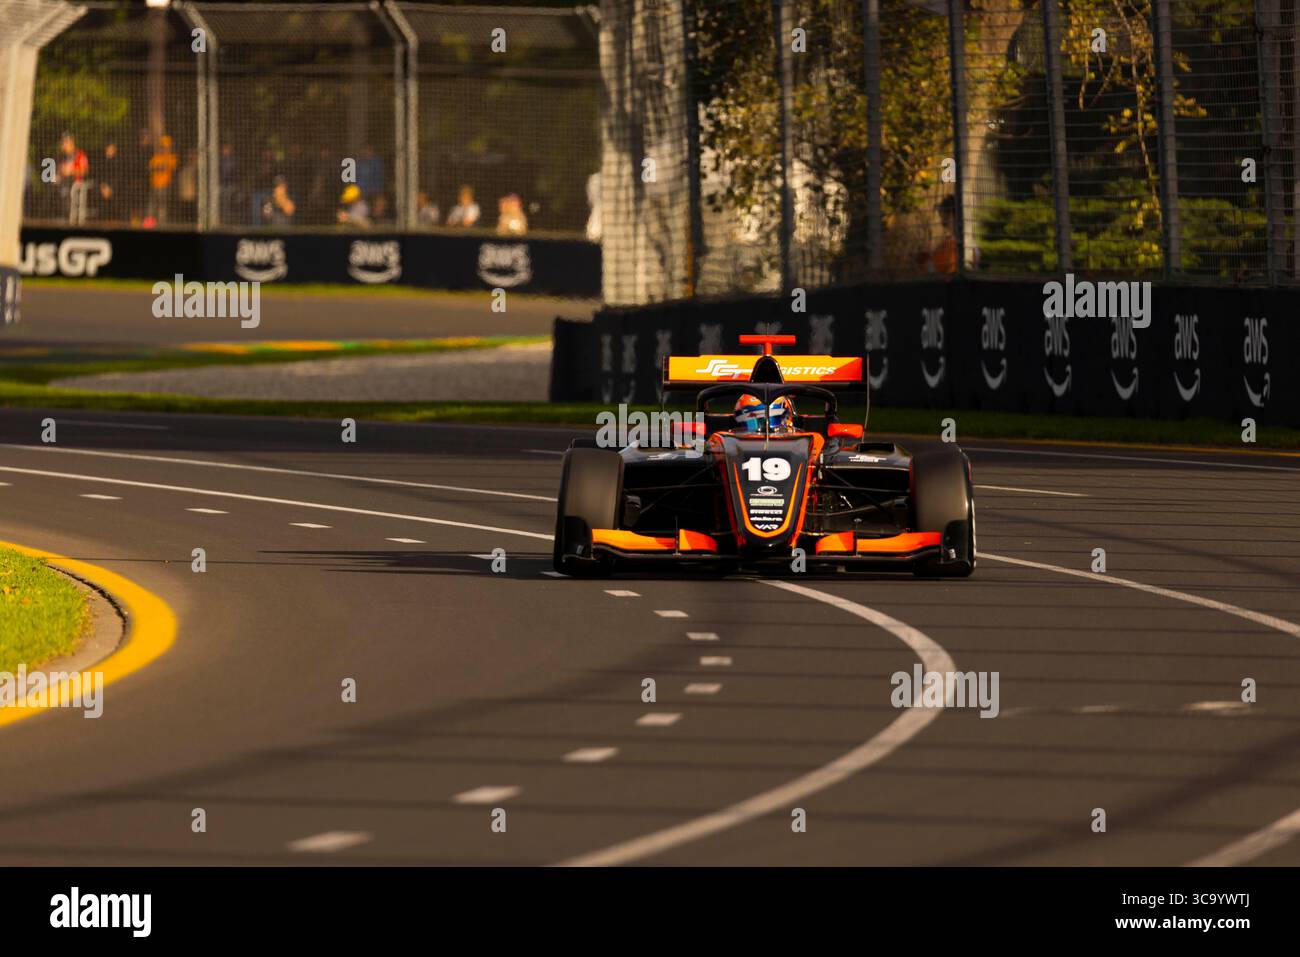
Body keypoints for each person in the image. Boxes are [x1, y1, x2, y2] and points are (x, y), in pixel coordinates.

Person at [58, 132, 88, 223]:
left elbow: (84, 171)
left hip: (76, 187)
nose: (63, 145)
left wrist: (71, 172)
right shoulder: (62, 157)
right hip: (63, 187)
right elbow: (60, 171)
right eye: (63, 143)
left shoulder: (80, 155)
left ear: (71, 143)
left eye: (65, 142)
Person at [147, 134, 178, 226]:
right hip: (154, 185)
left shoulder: (172, 157)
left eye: (166, 146)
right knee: (151, 206)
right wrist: (160, 167)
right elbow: (150, 167)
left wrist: (158, 168)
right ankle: (150, 225)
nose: (164, 148)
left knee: (162, 207)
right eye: (162, 146)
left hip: (164, 186)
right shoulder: (156, 156)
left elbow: (169, 167)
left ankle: (161, 225)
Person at [97, 142, 120, 222]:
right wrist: (102, 187)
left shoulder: (118, 163)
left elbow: (118, 178)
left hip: (114, 192)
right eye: (108, 148)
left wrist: (111, 189)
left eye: (112, 148)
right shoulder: (102, 162)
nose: (109, 150)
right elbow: (99, 177)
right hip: (103, 191)